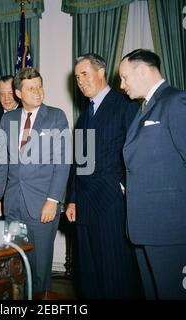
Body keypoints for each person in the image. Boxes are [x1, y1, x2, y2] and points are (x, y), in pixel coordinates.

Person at [119, 49, 186, 299]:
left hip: (172, 227)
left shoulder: (176, 101)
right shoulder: (146, 108)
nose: (122, 85)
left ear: (141, 71)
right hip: (147, 226)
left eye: (124, 77)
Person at [65, 53, 143, 299]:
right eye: (77, 77)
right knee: (89, 276)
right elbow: (77, 162)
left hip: (112, 203)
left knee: (115, 273)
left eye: (84, 74)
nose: (80, 81)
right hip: (85, 206)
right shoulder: (84, 115)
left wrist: (125, 186)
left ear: (101, 73)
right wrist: (73, 198)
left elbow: (137, 152)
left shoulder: (125, 105)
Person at [0, 67, 70, 296]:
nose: (37, 92)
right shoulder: (8, 119)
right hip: (13, 203)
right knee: (17, 263)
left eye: (39, 86)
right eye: (31, 88)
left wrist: (53, 200)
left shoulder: (56, 116)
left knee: (41, 266)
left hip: (42, 203)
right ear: (18, 93)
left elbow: (62, 163)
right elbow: (1, 162)